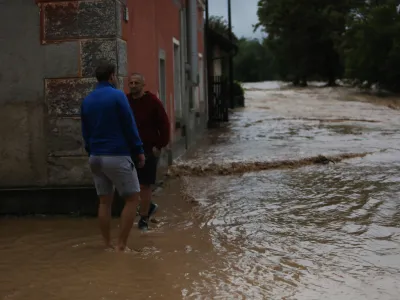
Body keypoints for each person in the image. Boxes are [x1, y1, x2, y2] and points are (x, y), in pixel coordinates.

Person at [81, 62, 145, 252]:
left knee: (104, 202)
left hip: (95, 157)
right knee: (133, 199)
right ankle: (121, 246)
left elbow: (85, 131)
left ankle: (107, 244)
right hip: (116, 154)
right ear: (111, 76)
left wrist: (91, 150)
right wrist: (139, 150)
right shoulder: (118, 96)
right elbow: (129, 124)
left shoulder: (88, 100)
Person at [127, 72, 170, 231]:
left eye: (136, 83)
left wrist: (159, 145)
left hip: (148, 148)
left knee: (145, 185)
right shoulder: (125, 101)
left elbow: (164, 124)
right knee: (131, 185)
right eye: (130, 83)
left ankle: (143, 219)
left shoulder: (153, 102)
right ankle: (149, 206)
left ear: (143, 85)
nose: (133, 86)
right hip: (129, 149)